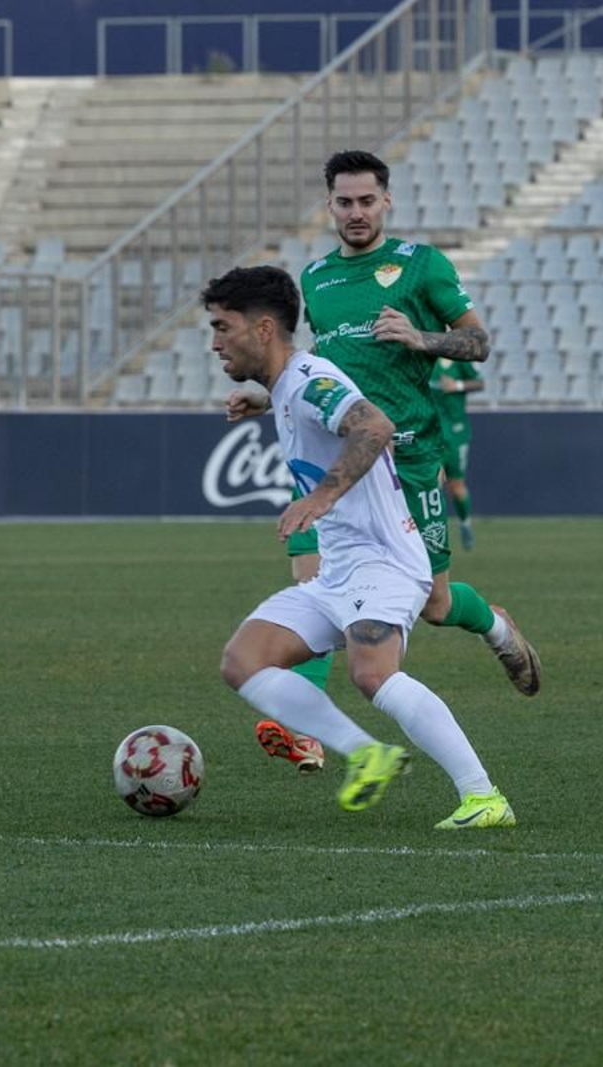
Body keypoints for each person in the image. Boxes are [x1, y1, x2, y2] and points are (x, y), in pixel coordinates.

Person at [228, 150, 540, 771]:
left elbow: (478, 342)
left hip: (410, 460)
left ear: (386, 202)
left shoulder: (420, 266)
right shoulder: (316, 279)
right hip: (339, 465)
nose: (356, 213)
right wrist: (267, 397)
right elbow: (317, 375)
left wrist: (421, 337)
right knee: (317, 584)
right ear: (330, 207)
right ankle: (311, 729)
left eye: (367, 201)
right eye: (344, 202)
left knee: (436, 604)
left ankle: (497, 627)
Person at [208, 265, 515, 829]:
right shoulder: (286, 387)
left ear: (264, 328)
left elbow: (373, 426)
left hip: (385, 560)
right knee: (243, 660)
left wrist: (321, 497)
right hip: (339, 572)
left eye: (224, 327)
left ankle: (483, 797)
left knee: (371, 673)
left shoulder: (306, 379)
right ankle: (366, 754)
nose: (215, 341)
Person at [430, 356, 484, 551]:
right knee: (432, 484)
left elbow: (479, 383)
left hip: (456, 433)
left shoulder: (460, 361)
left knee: (456, 485)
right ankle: (433, 531)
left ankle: (465, 524)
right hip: (433, 433)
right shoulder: (429, 360)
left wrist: (458, 385)